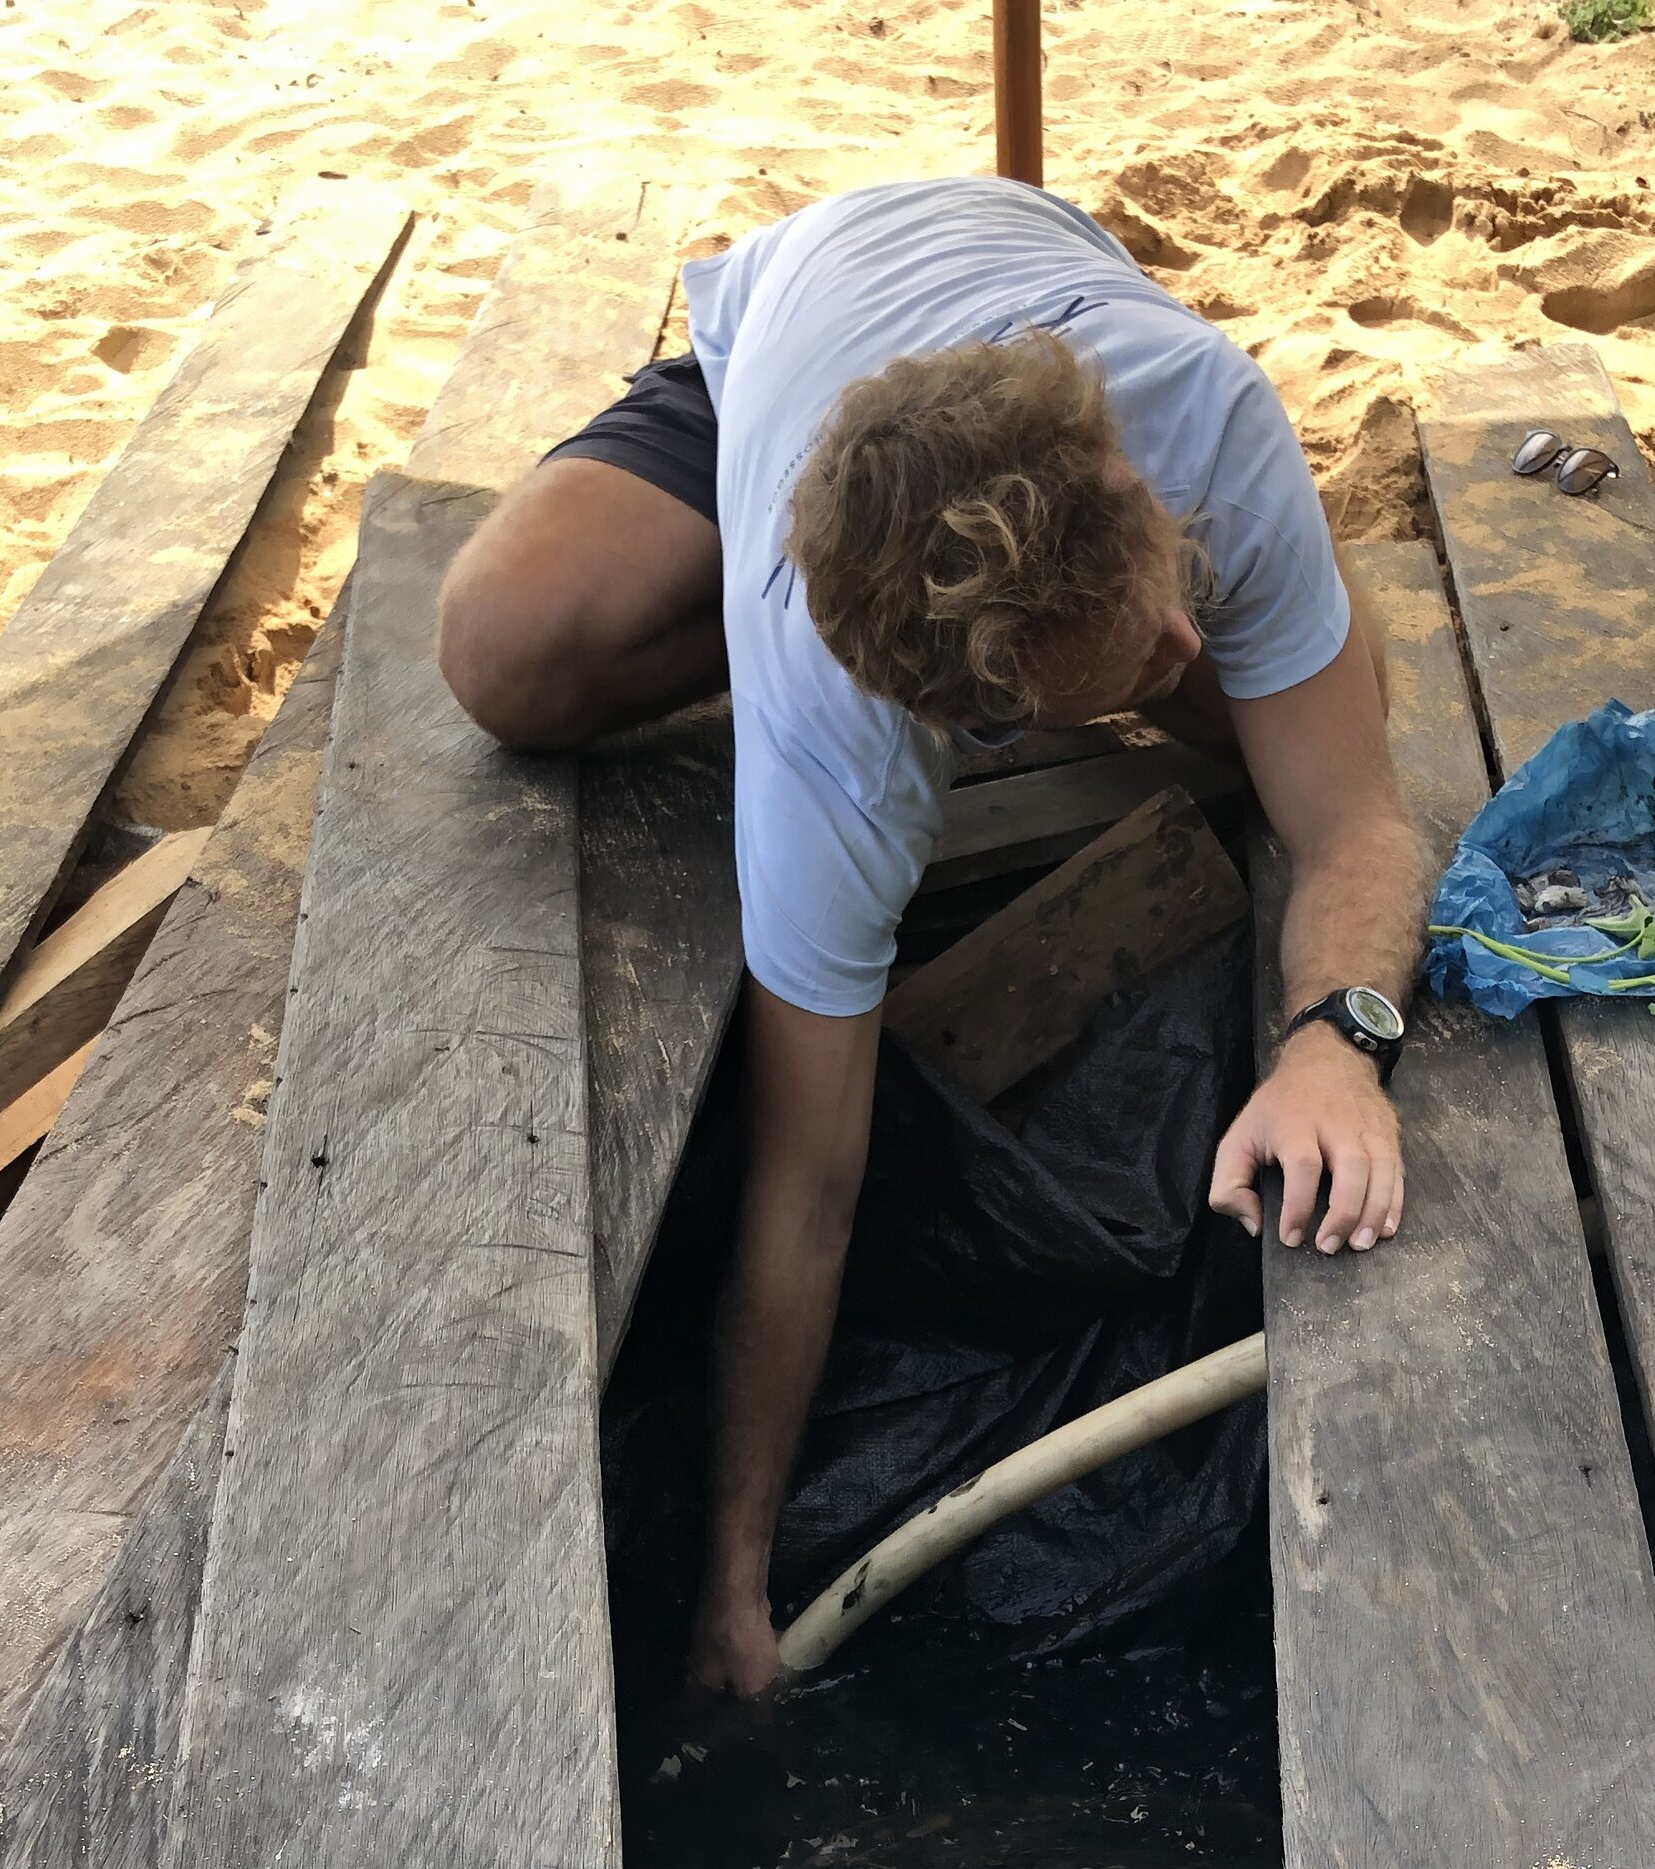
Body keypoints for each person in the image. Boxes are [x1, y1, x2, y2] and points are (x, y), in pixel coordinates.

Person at [437, 177, 1426, 1694]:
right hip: (779, 337)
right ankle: (794, 571)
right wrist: (736, 1583)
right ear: (961, 722)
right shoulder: (836, 760)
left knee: (1289, 722)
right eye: (1118, 672)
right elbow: (809, 1184)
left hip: (978, 261)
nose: (1179, 649)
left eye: (1161, 602)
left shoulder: (1204, 424)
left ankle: (1124, 625)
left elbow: (1355, 823)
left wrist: (1331, 1044)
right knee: (498, 650)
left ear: (1121, 480)